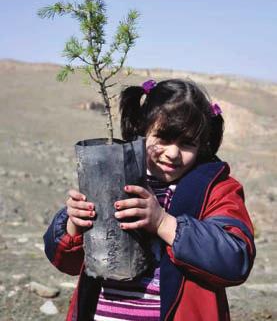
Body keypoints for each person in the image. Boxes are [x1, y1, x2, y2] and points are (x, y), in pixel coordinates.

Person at [44, 79, 255, 321]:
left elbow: (235, 260)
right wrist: (74, 225)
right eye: (163, 138)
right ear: (142, 130)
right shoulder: (113, 177)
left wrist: (162, 223)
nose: (173, 153)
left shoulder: (216, 190)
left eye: (187, 143)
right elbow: (67, 263)